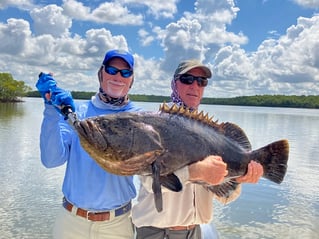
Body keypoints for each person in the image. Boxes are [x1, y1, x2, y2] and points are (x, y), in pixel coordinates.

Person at [131, 59, 264, 239]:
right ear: (175, 83)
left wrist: (240, 177)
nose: (195, 85)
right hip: (157, 233)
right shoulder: (156, 126)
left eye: (201, 81)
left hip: (194, 232)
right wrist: (196, 171)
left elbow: (225, 197)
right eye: (187, 79)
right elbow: (150, 183)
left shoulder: (210, 133)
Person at [36, 49, 142, 239]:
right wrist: (51, 109)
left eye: (125, 73)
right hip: (71, 221)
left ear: (131, 80)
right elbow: (51, 160)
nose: (118, 76)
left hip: (117, 224)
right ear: (101, 73)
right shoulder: (76, 112)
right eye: (111, 70)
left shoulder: (140, 117)